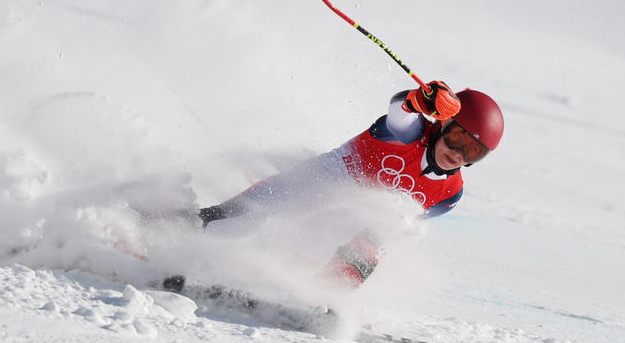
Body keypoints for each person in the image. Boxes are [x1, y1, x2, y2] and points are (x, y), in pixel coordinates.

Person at [196, 81, 504, 288]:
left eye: (472, 151)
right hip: (327, 179)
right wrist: (416, 100)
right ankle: (173, 231)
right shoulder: (409, 133)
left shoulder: (449, 195)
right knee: (250, 216)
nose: (457, 153)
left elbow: (398, 231)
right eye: (457, 138)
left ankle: (324, 296)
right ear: (443, 124)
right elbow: (401, 112)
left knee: (381, 231)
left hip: (343, 223)